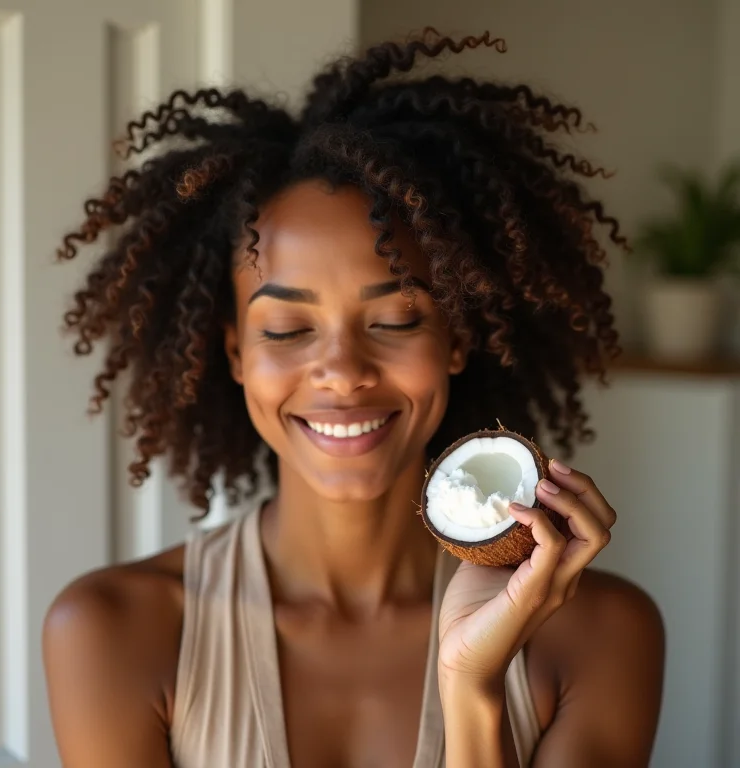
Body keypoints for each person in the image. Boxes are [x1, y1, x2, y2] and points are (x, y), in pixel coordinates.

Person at [42, 28, 665, 768]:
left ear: (457, 338)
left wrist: (472, 690)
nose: (342, 370)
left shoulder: (602, 633)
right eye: (287, 328)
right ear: (237, 352)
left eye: (396, 318)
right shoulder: (114, 632)